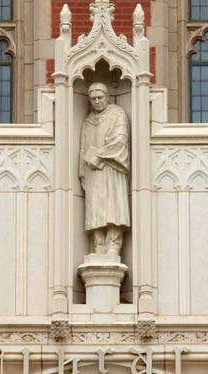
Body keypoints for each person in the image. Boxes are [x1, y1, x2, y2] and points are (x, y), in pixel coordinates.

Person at [79, 82, 131, 256]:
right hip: (92, 170)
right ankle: (99, 245)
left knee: (113, 206)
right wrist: (82, 171)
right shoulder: (87, 121)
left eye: (100, 98)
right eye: (93, 99)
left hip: (112, 167)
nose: (97, 102)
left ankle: (113, 246)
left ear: (108, 97)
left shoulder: (117, 114)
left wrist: (99, 155)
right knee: (95, 208)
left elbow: (120, 140)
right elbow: (82, 148)